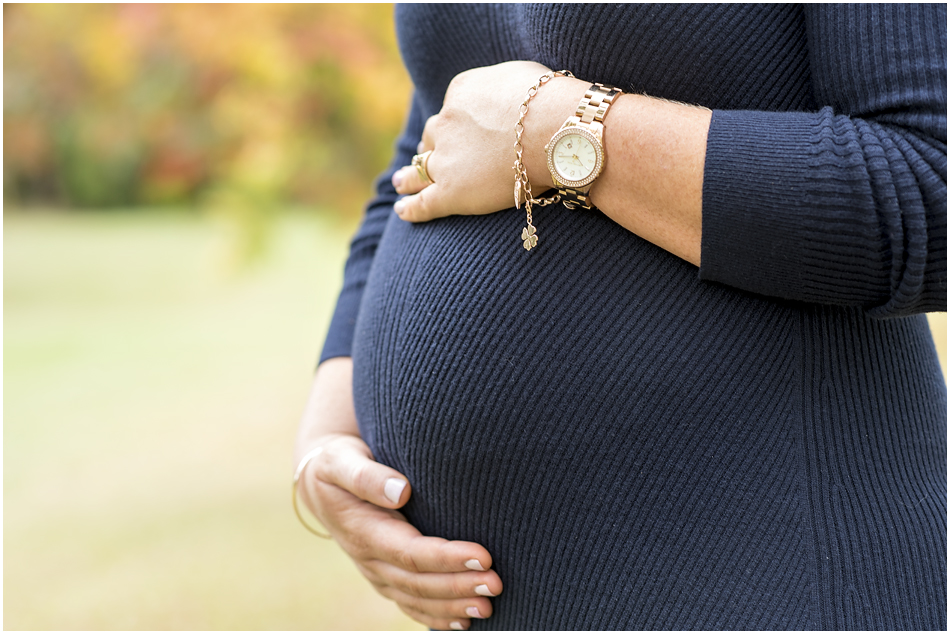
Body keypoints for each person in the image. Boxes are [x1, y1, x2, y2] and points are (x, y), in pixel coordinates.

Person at [293, 4, 947, 631]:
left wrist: (564, 130)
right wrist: (328, 436)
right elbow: (433, 141)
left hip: (764, 575)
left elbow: (930, 191)